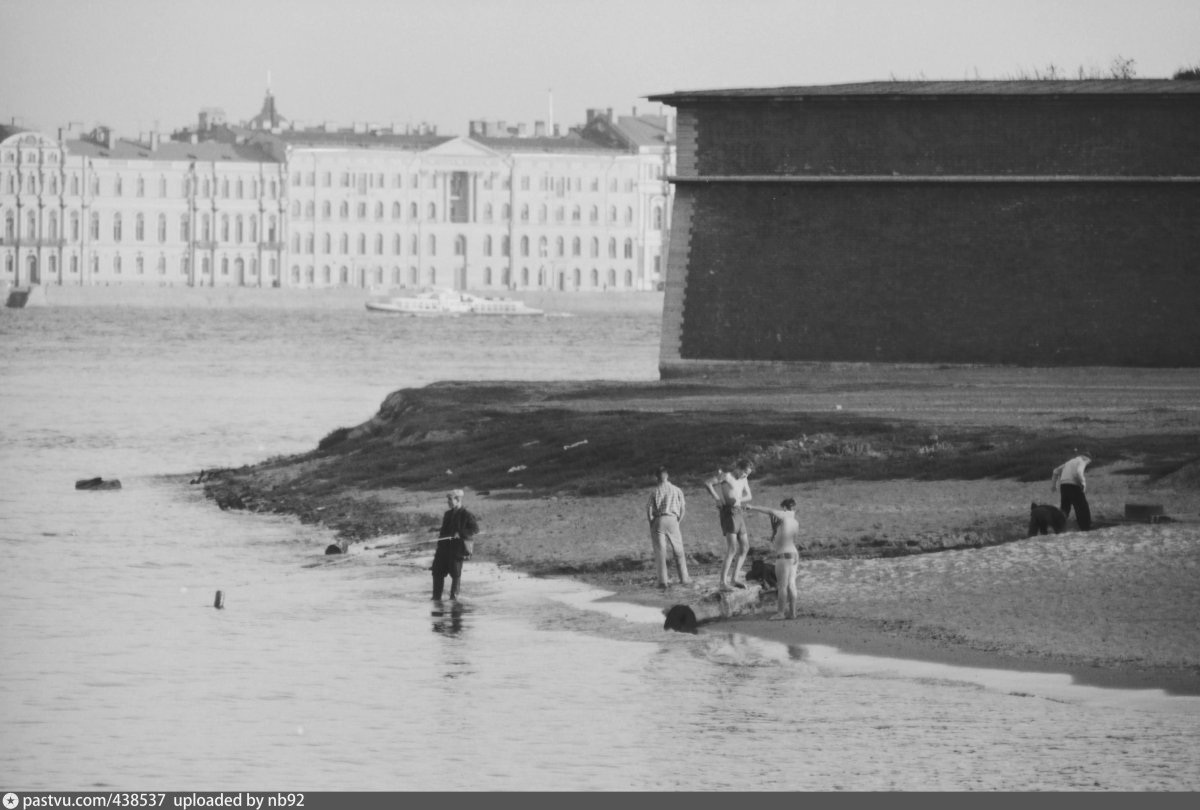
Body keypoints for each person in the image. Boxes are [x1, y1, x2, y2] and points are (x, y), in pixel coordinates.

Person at [746, 498, 801, 620]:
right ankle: (793, 613)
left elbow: (769, 511)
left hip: (784, 556)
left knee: (782, 586)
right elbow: (792, 540)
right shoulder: (795, 522)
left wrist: (752, 507)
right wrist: (775, 531)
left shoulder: (784, 515)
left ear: (785, 508)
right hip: (794, 555)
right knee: (792, 584)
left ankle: (781, 613)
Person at [705, 459, 754, 591]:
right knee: (732, 548)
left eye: (748, 474)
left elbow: (749, 495)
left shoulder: (744, 479)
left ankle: (734, 579)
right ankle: (722, 582)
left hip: (739, 512)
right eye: (744, 472)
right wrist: (717, 498)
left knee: (745, 547)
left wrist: (739, 499)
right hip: (728, 513)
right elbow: (708, 483)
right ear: (738, 468)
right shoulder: (726, 476)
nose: (745, 475)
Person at [646, 465, 691, 588]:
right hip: (673, 519)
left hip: (659, 520)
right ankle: (684, 578)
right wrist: (678, 521)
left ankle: (662, 582)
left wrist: (651, 522)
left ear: (656, 478)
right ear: (667, 476)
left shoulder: (655, 491)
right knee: (678, 550)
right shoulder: (677, 490)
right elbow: (682, 508)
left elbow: (649, 509)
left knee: (660, 552)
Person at [432, 489, 480, 601]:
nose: (448, 502)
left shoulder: (467, 514)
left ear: (457, 499)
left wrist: (461, 533)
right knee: (437, 572)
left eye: (450, 499)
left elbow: (475, 529)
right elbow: (443, 532)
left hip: (457, 550)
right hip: (443, 550)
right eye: (448, 499)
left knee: (455, 575)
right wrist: (439, 548)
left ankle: (454, 600)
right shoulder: (447, 514)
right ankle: (436, 598)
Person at [1050, 453, 1092, 530]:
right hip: (1073, 485)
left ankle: (1058, 527)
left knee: (1065, 508)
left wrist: (1053, 485)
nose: (1087, 464)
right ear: (1087, 459)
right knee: (1082, 507)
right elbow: (1079, 472)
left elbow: (1055, 471)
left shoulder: (1068, 462)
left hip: (1063, 485)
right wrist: (1083, 483)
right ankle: (1086, 528)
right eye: (1088, 463)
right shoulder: (1082, 461)